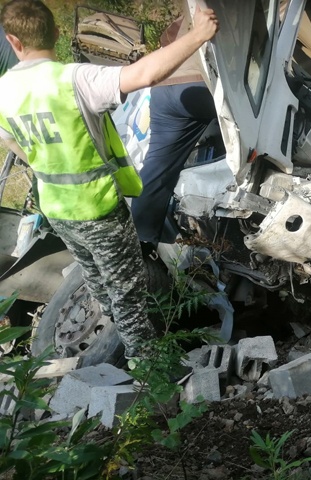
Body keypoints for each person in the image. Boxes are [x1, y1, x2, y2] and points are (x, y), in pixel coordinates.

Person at [0, 0, 219, 358]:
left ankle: (129, 350)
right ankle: (149, 381)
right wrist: (198, 35)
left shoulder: (3, 91)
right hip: (96, 208)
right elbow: (144, 75)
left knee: (100, 282)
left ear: (13, 41)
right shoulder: (73, 79)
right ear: (56, 31)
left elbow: (11, 141)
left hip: (57, 208)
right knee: (129, 295)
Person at [130, 14, 221, 246]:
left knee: (157, 169)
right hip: (201, 83)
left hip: (165, 89)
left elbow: (166, 39)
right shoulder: (232, 10)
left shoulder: (190, 14)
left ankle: (143, 244)